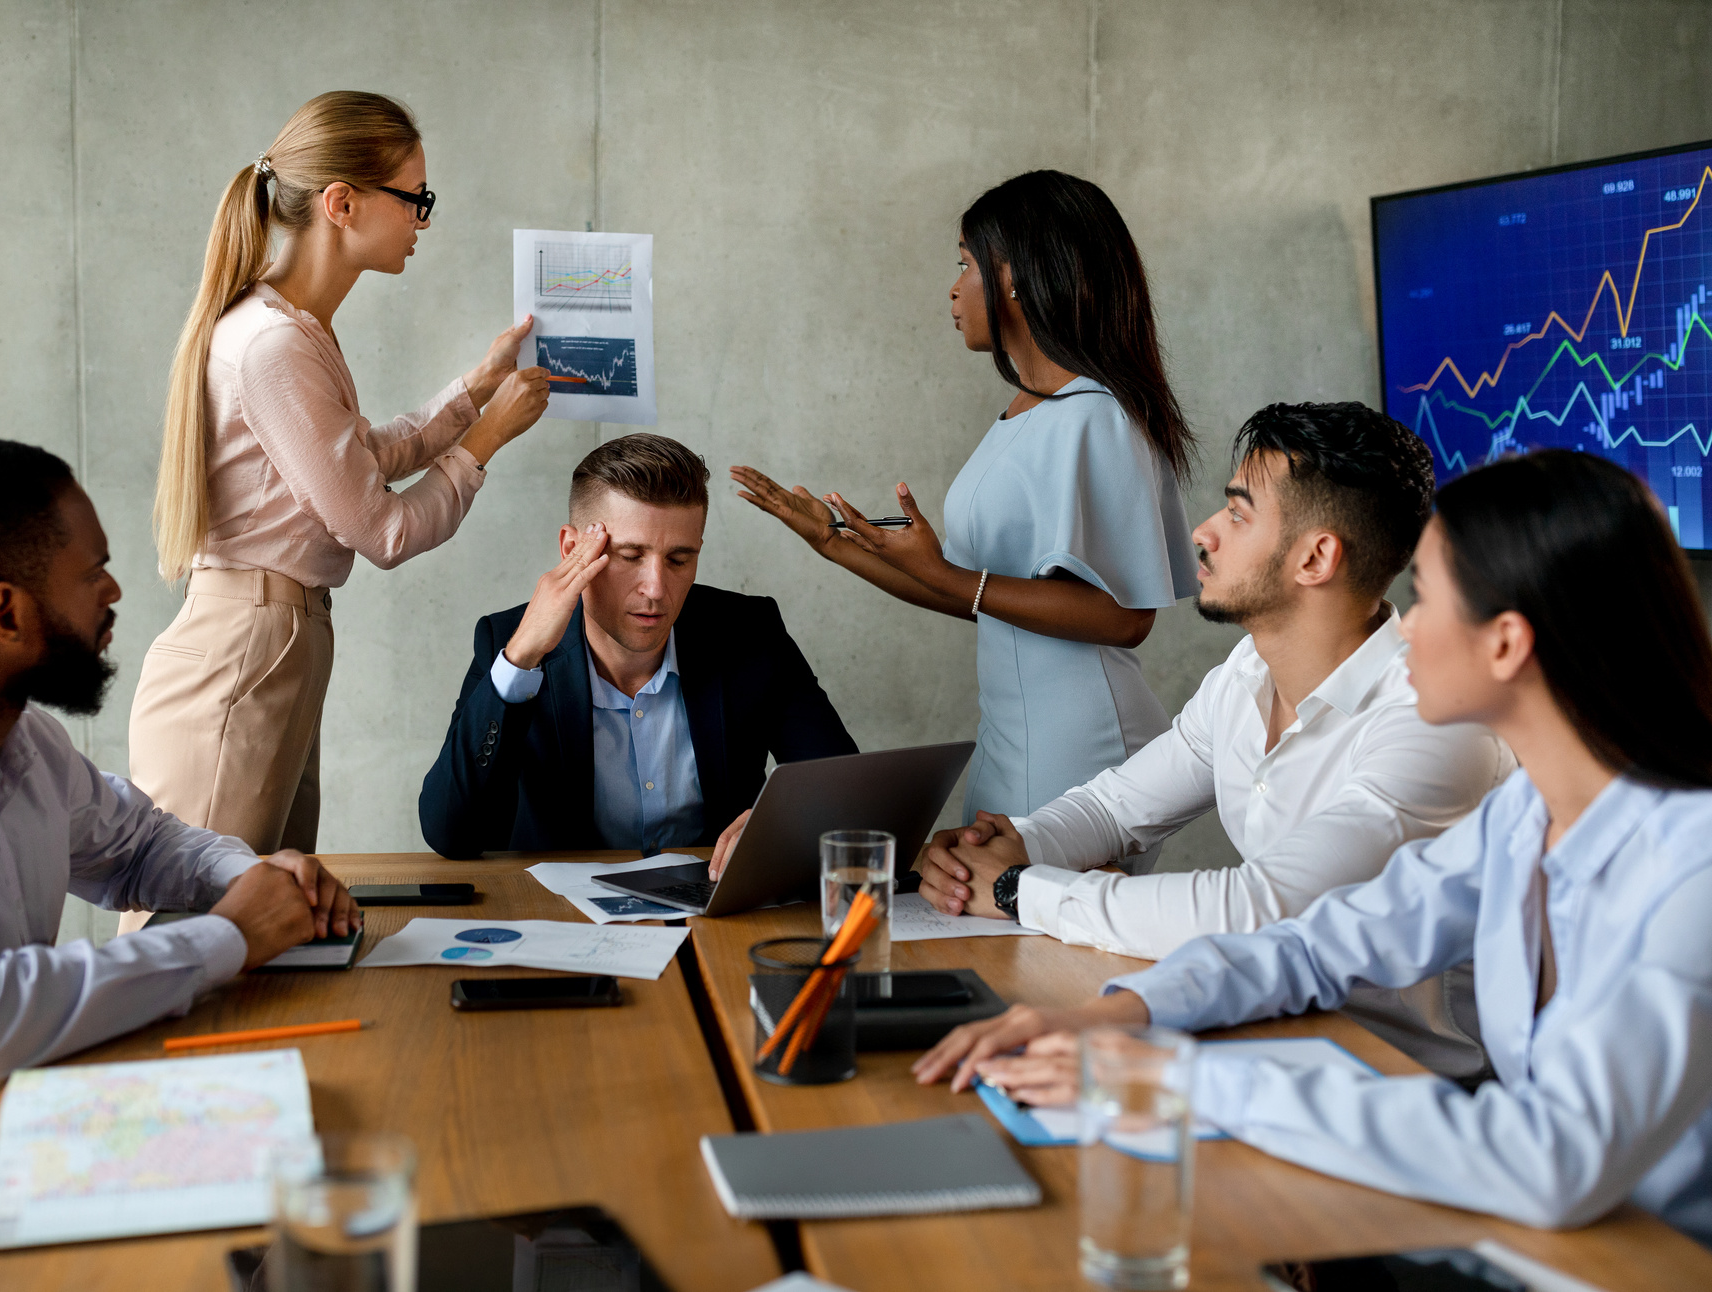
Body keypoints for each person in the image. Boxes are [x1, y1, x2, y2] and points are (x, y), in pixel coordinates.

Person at [916, 450, 1712, 1245]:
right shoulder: (1523, 817)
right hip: (1545, 1237)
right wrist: (1117, 1017)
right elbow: (1313, 945)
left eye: (1426, 599)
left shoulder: (1694, 867)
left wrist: (1181, 1079)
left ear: (1504, 644)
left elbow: (1554, 1159)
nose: (1409, 628)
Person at [0, 438, 356, 1289]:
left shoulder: (19, 737)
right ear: (4, 615)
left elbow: (140, 845)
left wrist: (248, 879)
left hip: (0, 1143)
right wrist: (226, 939)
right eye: (95, 573)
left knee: (311, 1149)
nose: (114, 592)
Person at [914, 403, 1513, 1077]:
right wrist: (1001, 851)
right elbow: (1115, 808)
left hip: (1407, 1083)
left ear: (1315, 557)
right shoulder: (1246, 674)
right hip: (1271, 1039)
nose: (1202, 533)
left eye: (1236, 513)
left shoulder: (1433, 721)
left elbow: (1259, 909)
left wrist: (1019, 889)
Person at [129, 90, 550, 868]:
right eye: (413, 198)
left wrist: (477, 388)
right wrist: (487, 436)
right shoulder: (272, 346)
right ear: (341, 203)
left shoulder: (295, 333)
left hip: (273, 642)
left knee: (262, 921)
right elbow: (381, 530)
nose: (423, 219)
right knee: (196, 925)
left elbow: (363, 458)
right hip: (248, 648)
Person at [732, 170, 1197, 823]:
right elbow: (971, 594)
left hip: (1077, 744)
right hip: (1015, 736)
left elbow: (1125, 617)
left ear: (1011, 276)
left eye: (963, 264)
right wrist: (831, 544)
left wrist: (955, 578)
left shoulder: (1095, 416)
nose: (952, 289)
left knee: (1021, 921)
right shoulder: (1028, 411)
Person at [419, 434, 857, 862]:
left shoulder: (749, 632)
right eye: (630, 557)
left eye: (679, 559)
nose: (656, 589)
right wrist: (521, 660)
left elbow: (847, 791)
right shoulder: (509, 641)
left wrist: (785, 823)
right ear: (574, 550)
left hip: (716, 920)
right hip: (562, 921)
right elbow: (451, 834)